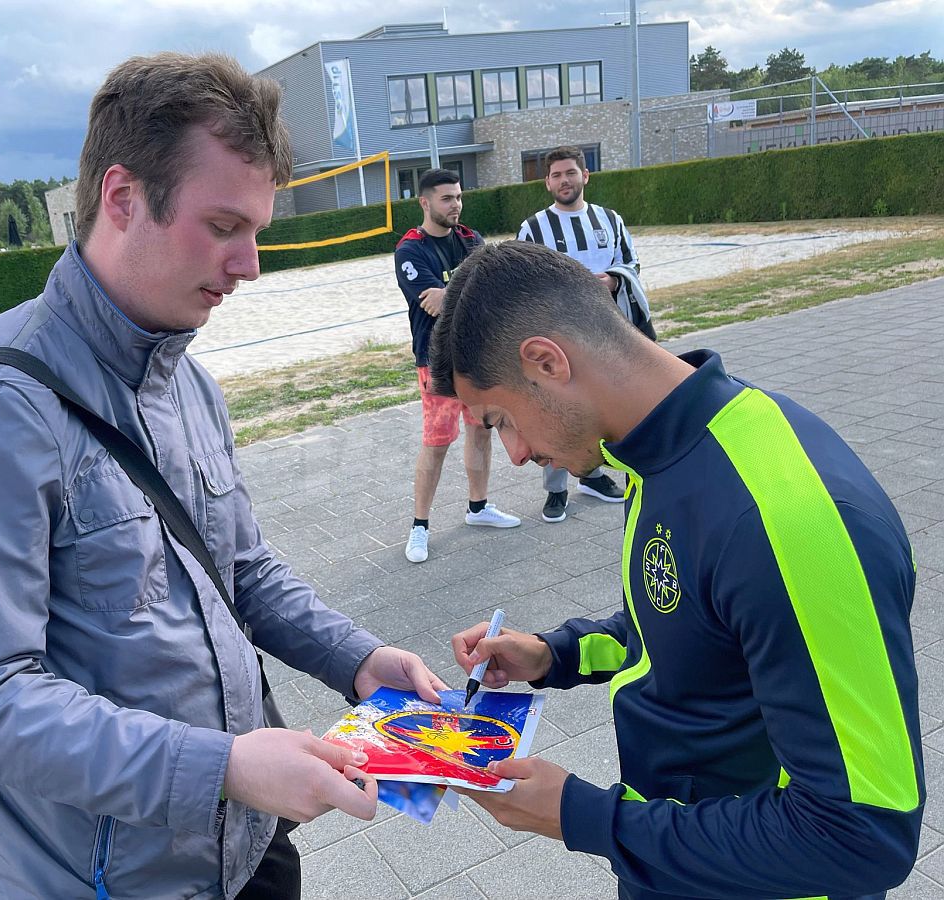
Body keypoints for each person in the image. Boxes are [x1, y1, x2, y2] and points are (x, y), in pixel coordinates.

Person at [0, 52, 446, 900]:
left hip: (244, 850)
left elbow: (243, 571)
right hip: (109, 880)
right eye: (224, 226)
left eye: (256, 230)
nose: (251, 264)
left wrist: (359, 657)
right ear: (122, 198)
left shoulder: (187, 383)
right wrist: (221, 766)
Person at [433, 241, 923, 900]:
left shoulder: (787, 515)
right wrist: (556, 653)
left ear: (546, 362)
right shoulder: (662, 452)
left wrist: (588, 819)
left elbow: (863, 835)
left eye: (501, 422)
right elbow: (684, 626)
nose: (517, 456)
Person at [516, 145, 652, 523]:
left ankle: (594, 476)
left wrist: (612, 279)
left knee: (611, 402)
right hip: (560, 336)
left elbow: (632, 262)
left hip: (610, 331)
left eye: (570, 173)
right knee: (561, 408)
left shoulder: (609, 219)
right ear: (547, 183)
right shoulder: (534, 228)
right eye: (557, 175)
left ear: (585, 176)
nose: (564, 180)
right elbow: (522, 281)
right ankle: (557, 489)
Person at [394, 168, 520, 563]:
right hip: (436, 361)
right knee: (436, 443)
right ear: (425, 202)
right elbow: (432, 303)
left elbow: (491, 291)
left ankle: (478, 508)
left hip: (476, 354)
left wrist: (452, 292)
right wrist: (461, 293)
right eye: (447, 198)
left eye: (459, 197)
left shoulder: (470, 238)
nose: (456, 205)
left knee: (480, 432)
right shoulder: (410, 250)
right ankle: (419, 526)